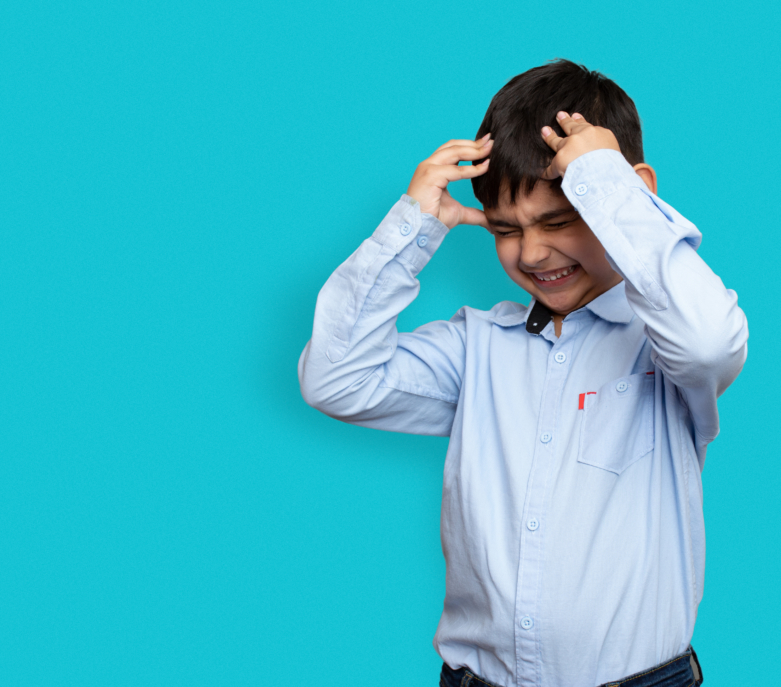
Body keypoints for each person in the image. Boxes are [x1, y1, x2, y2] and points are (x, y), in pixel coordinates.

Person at [297, 59, 746, 687]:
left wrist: (607, 185)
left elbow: (708, 341)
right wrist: (412, 226)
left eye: (559, 221)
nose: (532, 253)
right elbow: (334, 377)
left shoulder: (664, 349)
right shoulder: (477, 347)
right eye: (506, 231)